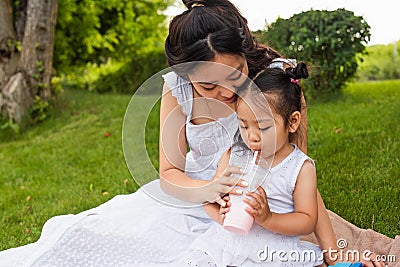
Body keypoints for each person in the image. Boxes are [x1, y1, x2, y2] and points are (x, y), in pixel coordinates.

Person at [0, 0, 397, 266]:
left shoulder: (276, 84)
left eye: (234, 78)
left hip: (260, 209)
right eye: (208, 87)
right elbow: (170, 173)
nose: (225, 94)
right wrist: (210, 190)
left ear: (246, 56)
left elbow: (297, 172)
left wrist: (327, 249)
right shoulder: (178, 89)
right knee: (92, 242)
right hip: (192, 200)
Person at [193, 62, 324, 266]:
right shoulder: (235, 155)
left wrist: (268, 218)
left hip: (272, 252)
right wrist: (220, 211)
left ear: (292, 122)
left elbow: (307, 220)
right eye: (243, 125)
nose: (251, 137)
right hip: (226, 245)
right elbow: (209, 197)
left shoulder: (300, 168)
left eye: (262, 127)